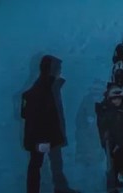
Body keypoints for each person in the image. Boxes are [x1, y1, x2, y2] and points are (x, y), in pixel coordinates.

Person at [22, 55, 79, 193]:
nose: (61, 72)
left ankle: (60, 188)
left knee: (53, 162)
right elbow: (36, 117)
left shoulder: (46, 86)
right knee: (38, 164)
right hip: (44, 136)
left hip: (49, 134)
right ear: (52, 70)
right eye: (59, 69)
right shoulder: (43, 89)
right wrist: (42, 140)